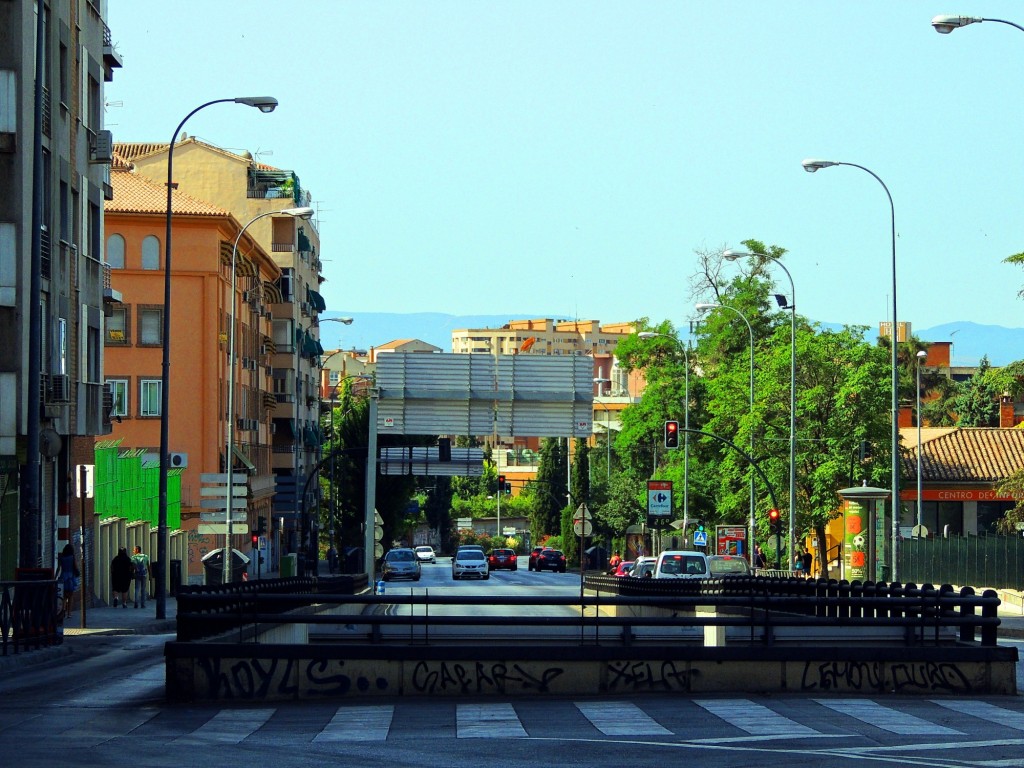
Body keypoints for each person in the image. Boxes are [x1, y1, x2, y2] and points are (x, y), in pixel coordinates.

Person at [55, 543, 78, 619]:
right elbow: (75, 566)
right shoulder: (72, 557)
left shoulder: (61, 557)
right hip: (71, 577)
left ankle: (63, 610)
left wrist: (55, 577)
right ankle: (69, 613)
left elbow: (58, 568)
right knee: (71, 596)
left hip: (63, 577)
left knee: (64, 596)